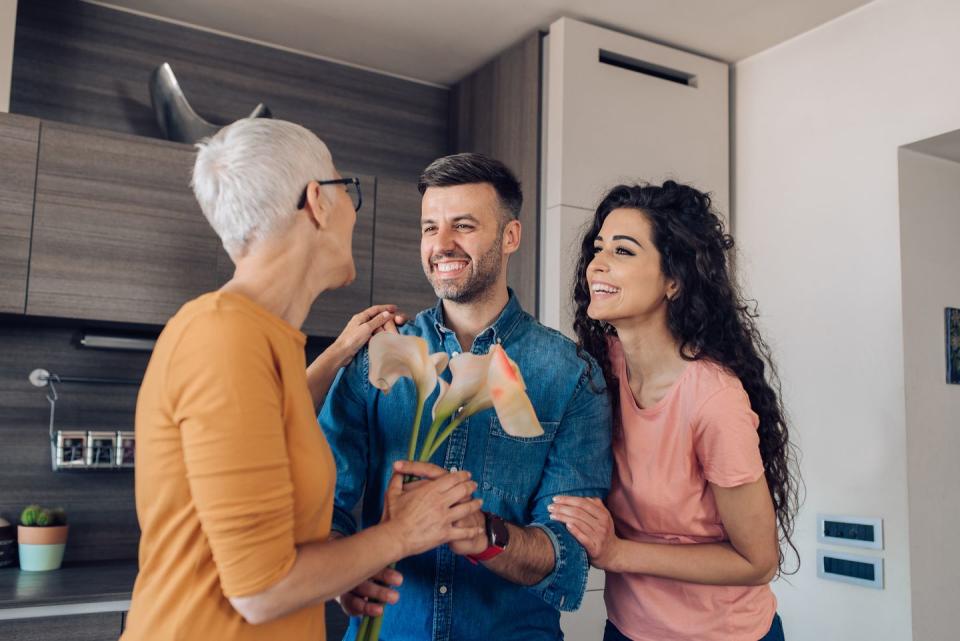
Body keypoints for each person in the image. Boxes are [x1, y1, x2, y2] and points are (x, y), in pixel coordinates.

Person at [122, 118, 484, 641]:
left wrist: (336, 355)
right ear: (317, 201)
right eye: (345, 189)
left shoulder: (263, 339)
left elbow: (271, 427)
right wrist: (401, 533)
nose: (353, 214)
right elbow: (260, 590)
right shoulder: (223, 338)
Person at [316, 153, 613, 641]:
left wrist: (485, 536)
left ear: (510, 236)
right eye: (430, 227)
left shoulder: (570, 376)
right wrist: (343, 573)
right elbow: (324, 501)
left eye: (464, 225)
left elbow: (568, 559)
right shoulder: (380, 356)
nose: (442, 244)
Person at [549, 181, 799, 641]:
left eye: (623, 251)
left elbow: (758, 560)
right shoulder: (599, 368)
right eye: (597, 248)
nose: (597, 264)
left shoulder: (713, 400)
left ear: (674, 280)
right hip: (626, 629)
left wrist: (618, 553)